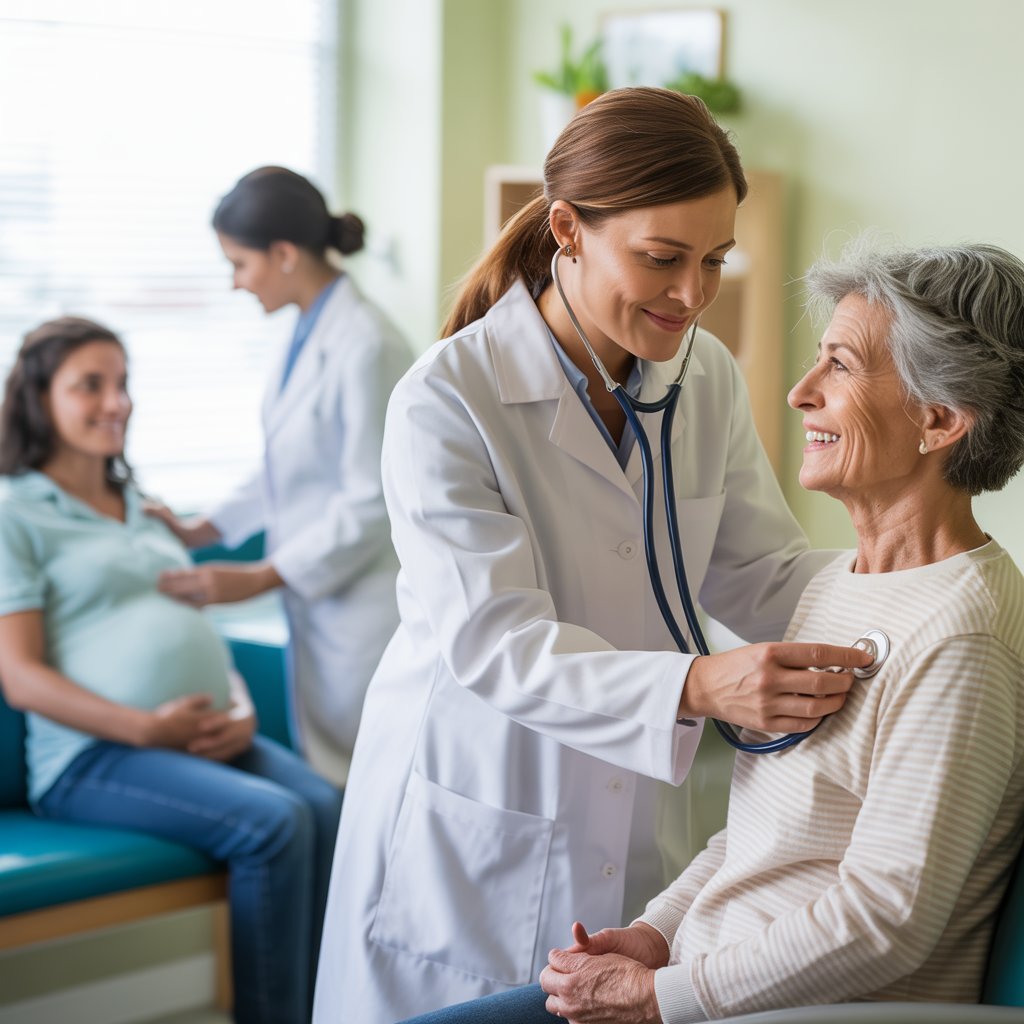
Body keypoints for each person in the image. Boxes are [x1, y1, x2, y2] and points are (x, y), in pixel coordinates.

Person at [312, 87, 874, 1022]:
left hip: (632, 821)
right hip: (476, 812)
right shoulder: (446, 401)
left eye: (714, 261)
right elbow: (497, 644)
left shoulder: (705, 376)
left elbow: (765, 575)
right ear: (568, 229)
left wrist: (926, 595)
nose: (693, 295)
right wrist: (698, 686)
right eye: (661, 258)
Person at [400, 238, 1024, 1023]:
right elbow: (760, 838)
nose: (801, 393)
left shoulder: (961, 634)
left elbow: (884, 921)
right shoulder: (837, 586)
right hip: (711, 983)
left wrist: (663, 997)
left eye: (839, 364)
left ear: (937, 420)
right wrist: (657, 936)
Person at [0, 316, 343, 1024]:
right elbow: (21, 677)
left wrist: (241, 708)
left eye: (122, 384)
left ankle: (326, 1009)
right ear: (38, 398)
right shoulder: (16, 512)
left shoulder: (143, 509)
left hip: (203, 733)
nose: (115, 402)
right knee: (273, 823)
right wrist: (143, 727)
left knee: (329, 806)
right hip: (95, 757)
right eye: (89, 385)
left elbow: (197, 625)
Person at [147, 166, 412, 785]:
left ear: (285, 254)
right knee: (337, 779)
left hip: (364, 611)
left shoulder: (368, 344)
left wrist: (262, 576)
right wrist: (202, 529)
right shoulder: (304, 328)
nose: (236, 284)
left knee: (375, 786)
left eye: (240, 264)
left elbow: (371, 503)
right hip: (322, 610)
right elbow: (284, 465)